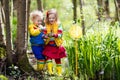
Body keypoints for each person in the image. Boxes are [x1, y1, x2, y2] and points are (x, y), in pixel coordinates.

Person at [43, 9, 67, 76]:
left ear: (56, 18)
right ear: (47, 18)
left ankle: (59, 72)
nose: (51, 19)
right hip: (49, 45)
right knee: (49, 58)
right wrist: (44, 36)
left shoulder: (58, 25)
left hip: (57, 45)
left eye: (53, 18)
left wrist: (54, 35)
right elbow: (44, 33)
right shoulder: (46, 25)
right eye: (50, 18)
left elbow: (60, 34)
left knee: (58, 59)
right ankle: (50, 71)